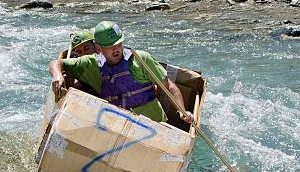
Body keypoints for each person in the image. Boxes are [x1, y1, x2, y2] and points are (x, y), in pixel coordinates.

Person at [50, 21, 193, 124]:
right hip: (115, 126)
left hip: (153, 125)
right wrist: (57, 74)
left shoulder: (141, 59)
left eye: (119, 44)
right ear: (99, 48)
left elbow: (170, 87)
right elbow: (56, 63)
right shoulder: (90, 63)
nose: (116, 49)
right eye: (110, 46)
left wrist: (182, 110)